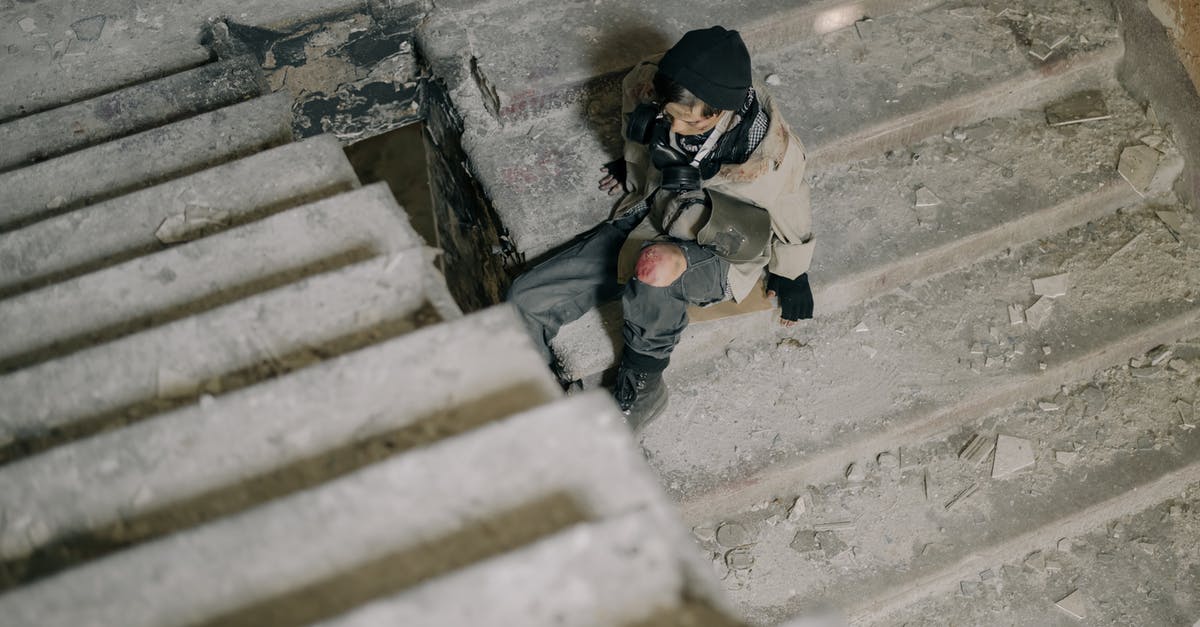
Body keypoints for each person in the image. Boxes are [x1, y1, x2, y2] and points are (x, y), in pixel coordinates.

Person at [507, 26, 815, 430]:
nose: (675, 131)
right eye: (669, 117)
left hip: (714, 239)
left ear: (721, 113)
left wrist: (792, 272)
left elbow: (792, 200)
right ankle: (543, 401)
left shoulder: (767, 153)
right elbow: (633, 115)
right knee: (523, 301)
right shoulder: (647, 84)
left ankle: (643, 392)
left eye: (689, 124)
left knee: (655, 268)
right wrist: (633, 162)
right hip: (650, 214)